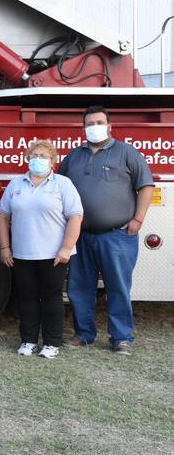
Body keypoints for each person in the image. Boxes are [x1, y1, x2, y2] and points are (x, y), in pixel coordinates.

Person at [59, 105, 154, 355]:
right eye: (89, 123)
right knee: (79, 287)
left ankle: (121, 338)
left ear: (110, 126)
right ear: (83, 128)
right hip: (81, 236)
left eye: (99, 122)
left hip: (117, 236)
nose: (94, 127)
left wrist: (138, 219)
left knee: (118, 286)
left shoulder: (127, 153)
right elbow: (59, 189)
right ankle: (84, 334)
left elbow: (146, 186)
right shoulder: (74, 156)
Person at [0, 140, 83, 359]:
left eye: (43, 156)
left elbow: (75, 216)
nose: (38, 159)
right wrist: (5, 247)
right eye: (34, 155)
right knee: (27, 298)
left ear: (53, 160)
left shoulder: (63, 184)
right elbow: (3, 216)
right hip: (23, 253)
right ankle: (28, 340)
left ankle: (52, 342)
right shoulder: (16, 185)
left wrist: (66, 248)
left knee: (52, 298)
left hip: (54, 255)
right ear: (27, 158)